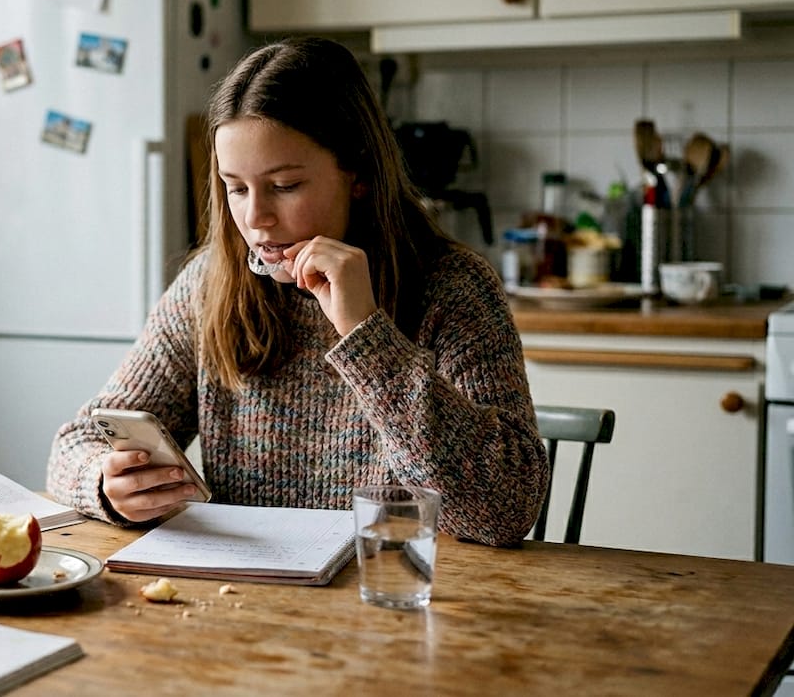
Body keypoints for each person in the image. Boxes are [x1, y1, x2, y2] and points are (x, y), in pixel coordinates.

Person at [46, 37, 548, 547]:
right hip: (244, 605)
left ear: (356, 174)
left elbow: (503, 512)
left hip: (397, 603)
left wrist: (366, 336)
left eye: (285, 186)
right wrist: (107, 484)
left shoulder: (455, 288)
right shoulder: (208, 285)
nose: (256, 218)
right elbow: (76, 444)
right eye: (236, 188)